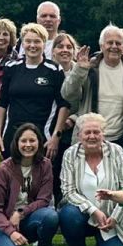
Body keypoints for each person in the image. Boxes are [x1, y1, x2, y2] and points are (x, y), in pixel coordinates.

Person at [62, 25, 123, 161]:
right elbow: (67, 94)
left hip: (121, 142)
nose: (114, 46)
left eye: (118, 43)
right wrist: (79, 70)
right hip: (88, 139)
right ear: (101, 46)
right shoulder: (88, 68)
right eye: (110, 42)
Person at [57, 113, 123, 246]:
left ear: (103, 134)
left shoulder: (116, 151)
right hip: (82, 214)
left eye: (96, 132)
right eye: (87, 132)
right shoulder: (70, 154)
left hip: (111, 216)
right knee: (68, 214)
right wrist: (93, 211)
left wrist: (115, 218)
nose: (92, 136)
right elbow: (68, 191)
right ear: (79, 135)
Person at [0, 123, 59, 246]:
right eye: (23, 141)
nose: (28, 145)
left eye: (32, 140)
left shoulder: (45, 165)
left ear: (39, 142)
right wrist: (11, 232)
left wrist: (20, 213)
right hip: (2, 224)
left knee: (51, 216)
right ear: (16, 143)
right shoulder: (3, 169)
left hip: (26, 220)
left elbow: (44, 199)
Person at [0, 23, 69, 160]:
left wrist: (55, 136)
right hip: (12, 135)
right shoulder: (11, 67)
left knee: (41, 173)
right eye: (28, 41)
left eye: (37, 41)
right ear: (23, 44)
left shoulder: (54, 70)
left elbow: (63, 105)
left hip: (43, 136)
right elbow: (2, 103)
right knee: (11, 173)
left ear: (44, 44)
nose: (32, 45)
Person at [49, 32, 79, 202]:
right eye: (60, 46)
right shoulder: (47, 70)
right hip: (50, 131)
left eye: (69, 47)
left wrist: (73, 119)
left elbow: (88, 102)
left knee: (69, 172)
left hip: (73, 132)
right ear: (53, 50)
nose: (65, 50)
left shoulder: (82, 72)